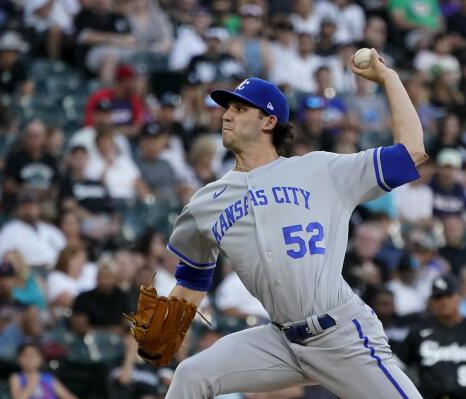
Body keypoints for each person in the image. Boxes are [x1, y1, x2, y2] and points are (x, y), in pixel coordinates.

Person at [162, 49, 427, 398]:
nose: (227, 116)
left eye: (240, 109)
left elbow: (412, 152)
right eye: (227, 109)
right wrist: (166, 331)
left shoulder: (320, 170)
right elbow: (194, 275)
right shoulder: (205, 203)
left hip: (342, 336)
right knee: (192, 375)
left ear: (269, 122)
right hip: (279, 342)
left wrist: (389, 79)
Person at [9, 341, 77, 399]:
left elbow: (68, 396)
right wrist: (31, 384)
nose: (29, 359)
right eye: (25, 355)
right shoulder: (16, 378)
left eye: (33, 356)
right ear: (19, 359)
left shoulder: (48, 378)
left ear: (41, 359)